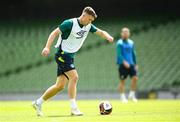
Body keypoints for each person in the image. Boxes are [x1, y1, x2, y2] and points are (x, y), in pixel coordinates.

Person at [32, 6, 114, 116]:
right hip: (62, 55)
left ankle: (38, 103)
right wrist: (47, 47)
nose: (90, 22)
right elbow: (54, 33)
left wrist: (108, 37)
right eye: (89, 19)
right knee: (74, 77)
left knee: (59, 86)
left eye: (92, 21)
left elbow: (101, 32)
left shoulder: (88, 26)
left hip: (69, 57)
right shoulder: (69, 23)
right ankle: (73, 108)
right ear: (84, 15)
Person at [116, 27, 138, 103]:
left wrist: (135, 63)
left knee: (135, 78)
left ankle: (132, 95)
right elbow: (119, 54)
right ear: (121, 34)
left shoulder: (131, 42)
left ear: (129, 34)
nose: (125, 34)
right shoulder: (119, 43)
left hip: (131, 63)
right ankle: (122, 96)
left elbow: (133, 53)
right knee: (123, 81)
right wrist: (124, 62)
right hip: (122, 64)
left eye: (127, 32)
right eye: (124, 32)